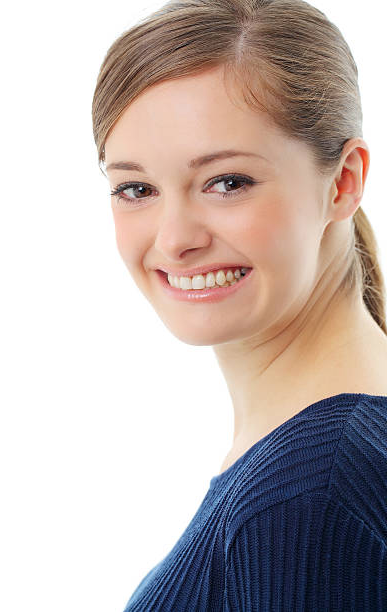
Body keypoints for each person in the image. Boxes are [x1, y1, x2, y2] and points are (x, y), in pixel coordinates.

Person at [91, 0, 387, 609]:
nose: (174, 238)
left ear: (344, 181)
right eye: (136, 189)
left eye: (227, 182)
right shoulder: (322, 461)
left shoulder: (309, 495)